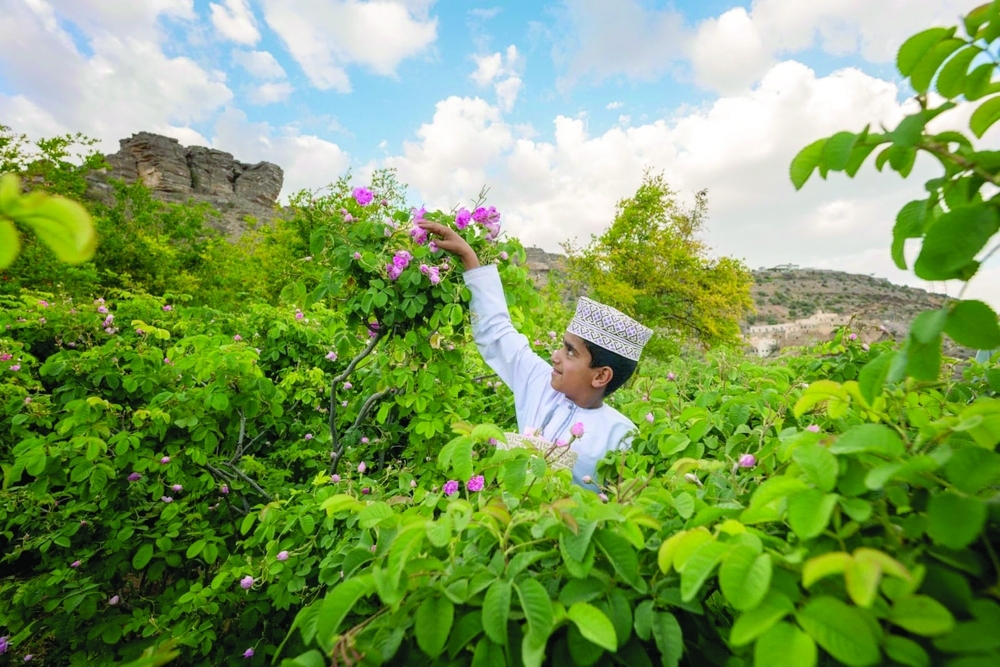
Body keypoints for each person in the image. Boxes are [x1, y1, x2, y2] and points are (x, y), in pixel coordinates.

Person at [417, 219, 653, 488]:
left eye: (570, 352)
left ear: (601, 376)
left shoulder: (622, 437)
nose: (555, 356)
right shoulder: (540, 382)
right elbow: (498, 333)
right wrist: (469, 257)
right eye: (562, 345)